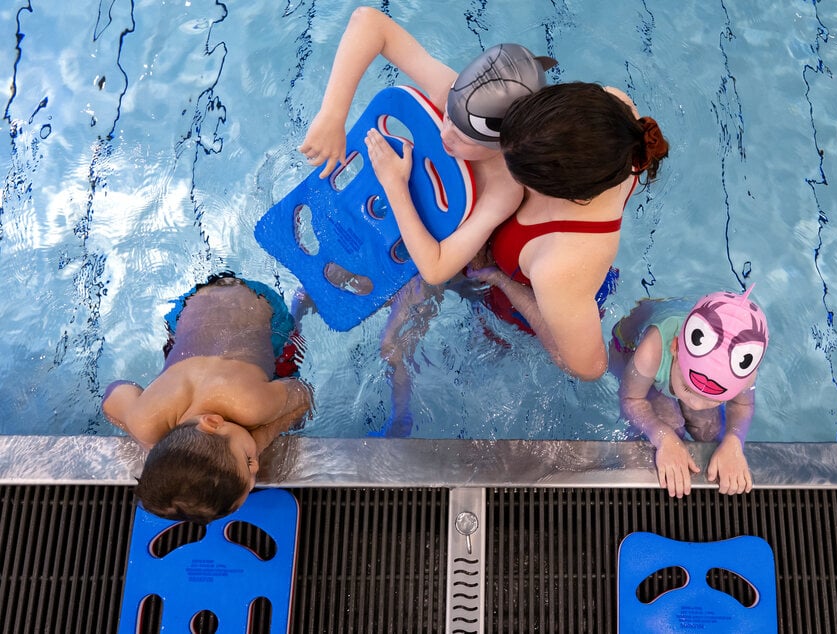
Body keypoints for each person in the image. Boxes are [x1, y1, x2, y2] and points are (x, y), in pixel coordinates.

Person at [298, 6, 556, 435]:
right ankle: (299, 311)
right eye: (448, 117)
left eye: (462, 135)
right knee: (326, 273)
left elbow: (439, 265)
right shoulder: (452, 92)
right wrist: (333, 115)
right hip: (402, 217)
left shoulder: (505, 186)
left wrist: (396, 185)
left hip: (445, 253)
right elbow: (369, 22)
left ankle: (402, 416)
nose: (445, 134)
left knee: (391, 346)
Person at [467, 81, 669, 381]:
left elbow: (588, 368)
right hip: (571, 286)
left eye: (518, 170)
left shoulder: (562, 263)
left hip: (543, 303)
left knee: (487, 349)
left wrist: (501, 279)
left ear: (566, 193)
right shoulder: (616, 113)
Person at [101, 273, 314, 524]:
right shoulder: (146, 420)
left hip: (259, 306)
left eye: (248, 461)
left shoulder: (250, 405)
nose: (256, 466)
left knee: (290, 366)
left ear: (213, 422)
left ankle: (300, 302)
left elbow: (303, 394)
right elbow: (111, 395)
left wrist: (262, 438)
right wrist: (153, 442)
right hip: (189, 306)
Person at [607, 287, 769, 498]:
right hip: (631, 346)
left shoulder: (745, 371)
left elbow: (742, 404)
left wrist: (734, 440)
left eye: (713, 399)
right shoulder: (652, 350)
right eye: (687, 389)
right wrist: (664, 438)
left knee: (711, 432)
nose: (696, 405)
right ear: (675, 348)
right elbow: (631, 398)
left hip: (689, 337)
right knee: (670, 428)